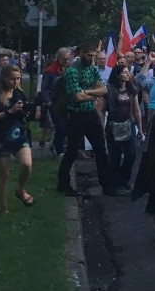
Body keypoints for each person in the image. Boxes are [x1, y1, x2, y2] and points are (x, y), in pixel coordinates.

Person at [57, 42, 120, 197]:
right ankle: (63, 184)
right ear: (82, 54)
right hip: (76, 114)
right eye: (89, 56)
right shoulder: (72, 71)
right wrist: (94, 93)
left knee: (100, 149)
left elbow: (104, 89)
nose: (92, 59)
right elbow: (77, 97)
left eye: (94, 56)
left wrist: (87, 91)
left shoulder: (92, 68)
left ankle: (106, 185)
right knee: (72, 150)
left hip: (91, 113)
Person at [0, 66, 34, 212]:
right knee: (4, 174)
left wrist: (30, 111)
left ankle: (20, 189)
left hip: (19, 134)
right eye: (13, 78)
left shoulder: (19, 93)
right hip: (0, 137)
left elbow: (24, 112)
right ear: (4, 78)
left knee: (27, 164)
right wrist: (8, 112)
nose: (16, 81)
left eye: (18, 78)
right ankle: (3, 208)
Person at [104, 64, 143, 192]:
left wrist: (140, 128)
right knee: (114, 156)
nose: (128, 74)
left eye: (128, 72)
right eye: (125, 72)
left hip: (128, 124)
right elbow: (102, 109)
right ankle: (113, 184)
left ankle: (124, 179)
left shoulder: (131, 89)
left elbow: (136, 109)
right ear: (117, 75)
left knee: (131, 154)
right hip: (113, 125)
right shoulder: (109, 89)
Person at [40, 47, 71, 156]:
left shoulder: (70, 69)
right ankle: (59, 149)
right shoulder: (50, 71)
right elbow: (44, 88)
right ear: (59, 58)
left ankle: (56, 144)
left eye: (68, 59)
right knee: (60, 126)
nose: (66, 62)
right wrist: (48, 101)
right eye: (64, 59)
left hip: (68, 102)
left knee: (68, 127)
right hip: (55, 103)